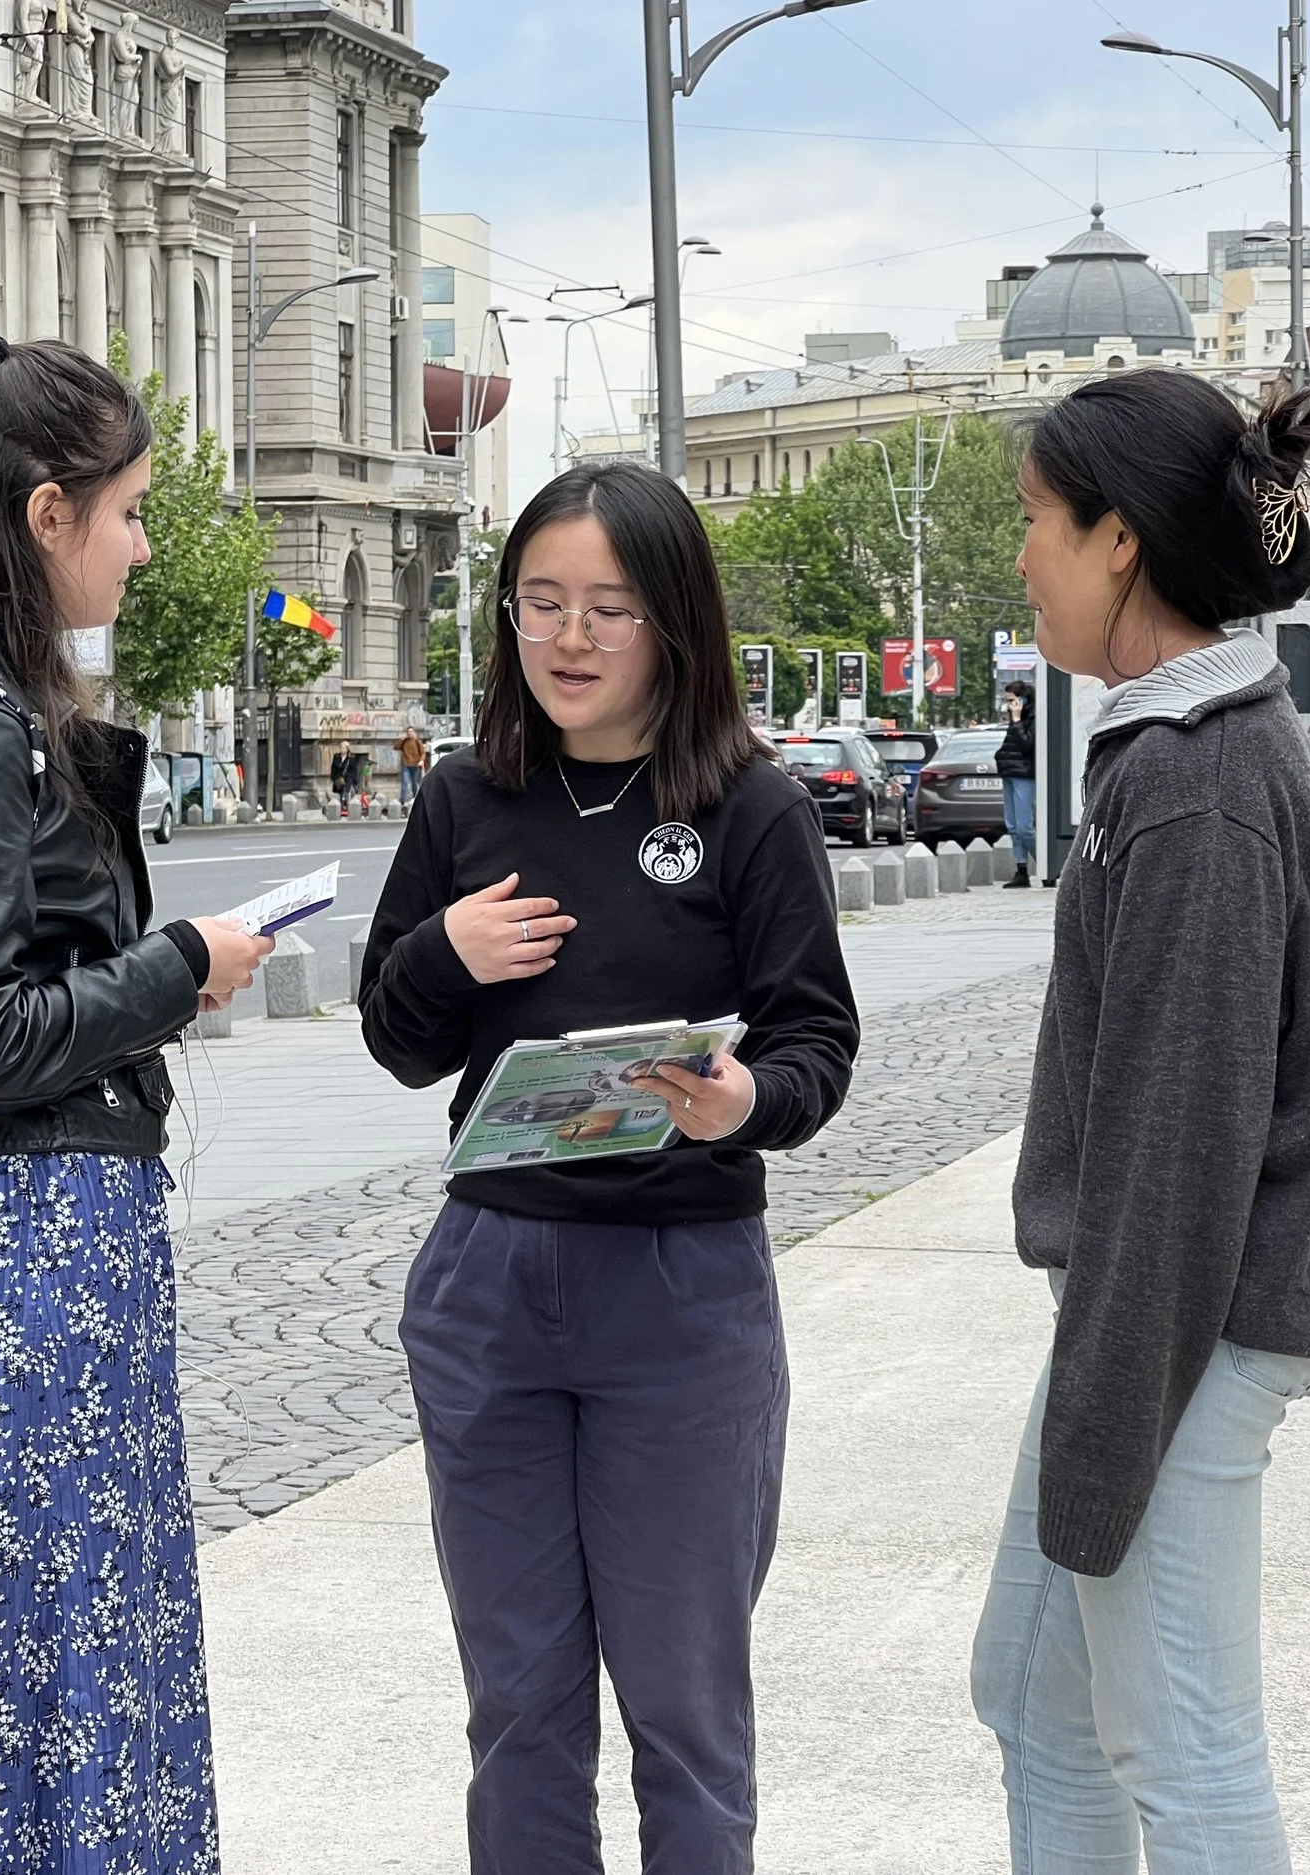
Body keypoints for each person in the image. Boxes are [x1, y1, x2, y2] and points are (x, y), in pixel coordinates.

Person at [356, 460, 859, 1873]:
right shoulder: (465, 798)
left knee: (684, 1706)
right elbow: (398, 1040)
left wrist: (740, 1100)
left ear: (673, 622)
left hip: (681, 1288)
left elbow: (816, 1040)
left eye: (608, 608)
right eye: (540, 603)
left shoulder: (752, 808)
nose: (569, 639)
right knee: (517, 1701)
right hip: (490, 1283)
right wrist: (443, 953)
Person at [0, 331, 272, 1874]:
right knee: (47, 1669)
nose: (143, 543)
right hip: (24, 1260)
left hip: (22, 1259)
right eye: (130, 510)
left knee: (18, 1666)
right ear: (47, 514)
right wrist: (178, 964)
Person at [976, 371, 1310, 1875]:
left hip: (1182, 1325)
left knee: (1183, 1747)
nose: (1020, 554)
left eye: (1036, 519)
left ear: (1119, 540)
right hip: (1161, 1310)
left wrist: (1106, 1415)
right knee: (1036, 1697)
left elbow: (1179, 1150)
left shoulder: (1197, 781)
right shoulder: (1181, 749)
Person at [995, 678, 1036, 886]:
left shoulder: (1033, 718)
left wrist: (1018, 720)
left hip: (1025, 775)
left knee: (1024, 827)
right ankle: (1021, 870)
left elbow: (1027, 745)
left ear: (1023, 700)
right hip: (1010, 773)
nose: (1009, 705)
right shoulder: (1015, 718)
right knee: (1012, 826)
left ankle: (1048, 864)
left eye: (1012, 700)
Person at [396, 724, 427, 806]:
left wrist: (421, 760)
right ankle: (402, 800)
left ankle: (415, 799)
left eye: (411, 731)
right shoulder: (404, 741)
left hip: (415, 765)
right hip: (406, 764)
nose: (410, 733)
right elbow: (396, 747)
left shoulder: (417, 741)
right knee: (405, 782)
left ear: (414, 732)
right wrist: (401, 739)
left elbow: (423, 752)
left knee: (414, 783)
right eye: (408, 732)